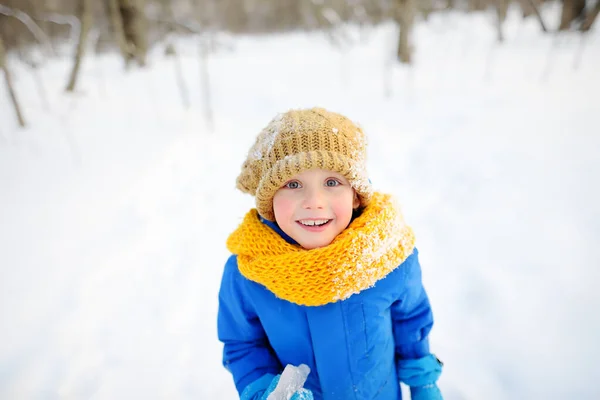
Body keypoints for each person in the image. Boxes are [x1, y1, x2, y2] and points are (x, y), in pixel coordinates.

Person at [217, 107, 443, 400]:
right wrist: (265, 392)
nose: (314, 202)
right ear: (269, 200)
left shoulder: (388, 255)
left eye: (332, 182)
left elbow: (411, 322)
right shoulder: (248, 271)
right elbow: (243, 344)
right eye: (293, 184)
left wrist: (423, 383)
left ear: (356, 194)